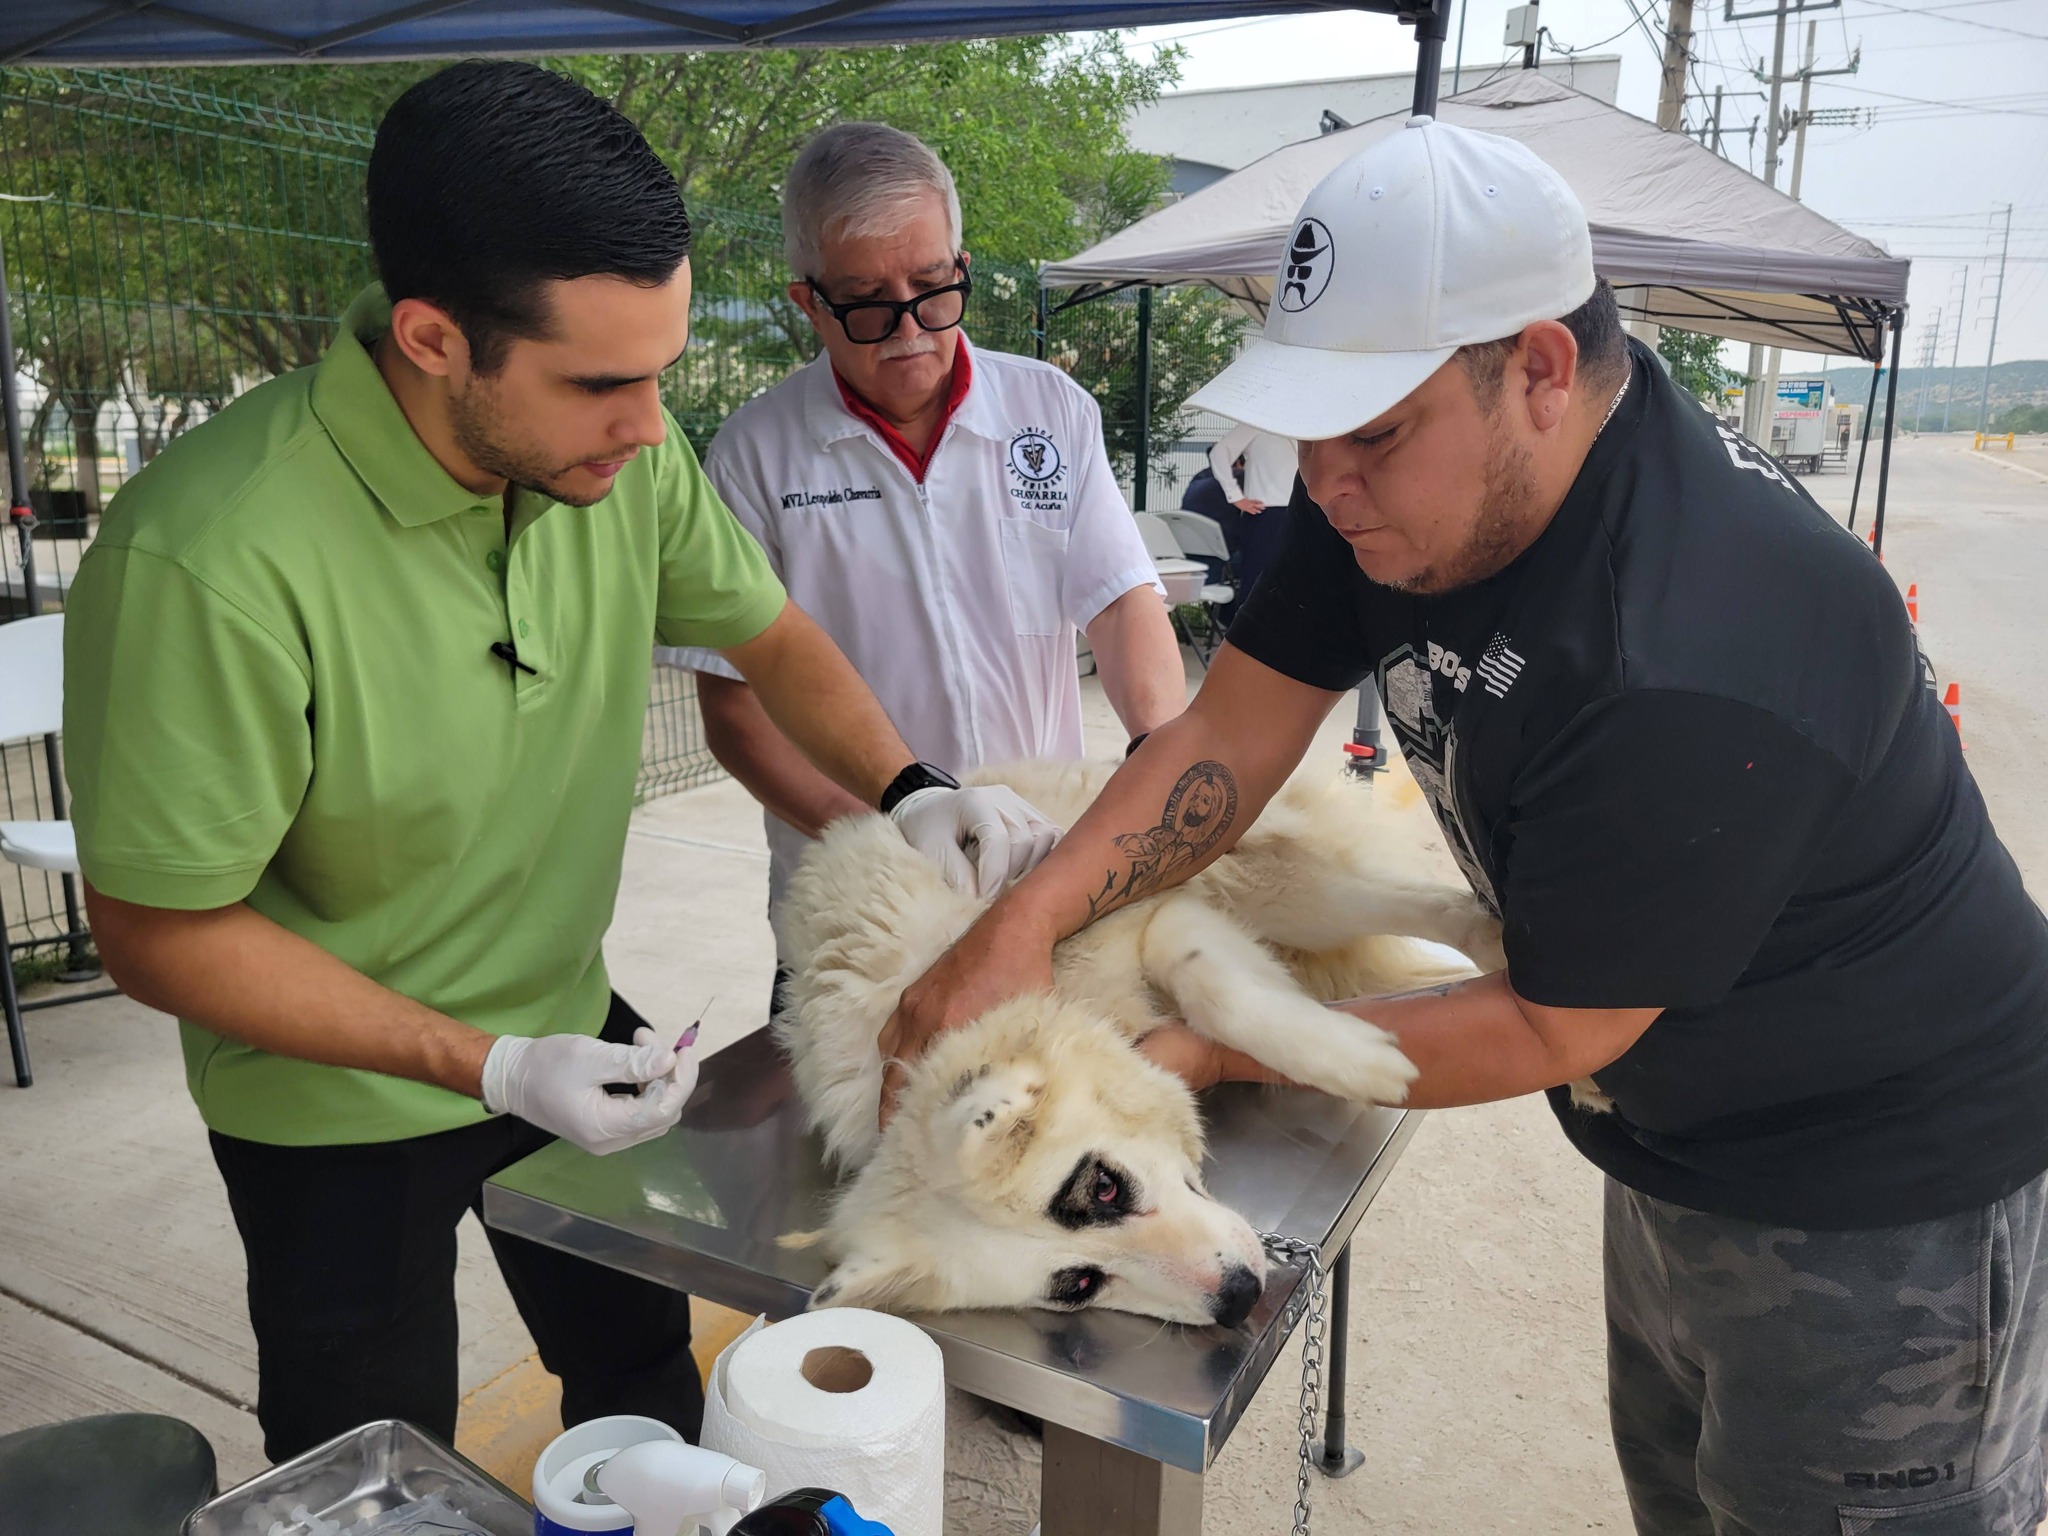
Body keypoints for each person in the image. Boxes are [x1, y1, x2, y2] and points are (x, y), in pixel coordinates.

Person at [879, 118, 2048, 1533]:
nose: (1325, 481)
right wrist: (1023, 922)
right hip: (1678, 1127)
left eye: (1372, 431)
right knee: (1687, 1500)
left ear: (1540, 370)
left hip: (1885, 1180)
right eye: (1311, 427)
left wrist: (1210, 1047)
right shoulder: (1408, 486)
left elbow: (1553, 1025)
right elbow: (1224, 741)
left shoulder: (1692, 647)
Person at [62, 63, 1053, 1463]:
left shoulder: (618, 460)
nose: (649, 427)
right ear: (432, 339)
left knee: (645, 1365)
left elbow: (769, 636)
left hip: (568, 1011)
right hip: (327, 1092)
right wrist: (490, 1066)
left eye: (659, 372)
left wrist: (915, 789)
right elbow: (156, 931)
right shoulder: (206, 558)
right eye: (599, 382)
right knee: (371, 1461)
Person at [670, 122, 1185, 986]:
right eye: (868, 303)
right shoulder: (756, 455)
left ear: (961, 265)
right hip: (863, 905)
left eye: (934, 288)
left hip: (1038, 870)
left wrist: (1160, 759)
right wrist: (888, 833)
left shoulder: (1049, 412)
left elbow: (1122, 600)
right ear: (809, 302)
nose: (909, 329)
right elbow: (737, 712)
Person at [1204, 422, 1295, 599]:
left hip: (1302, 511)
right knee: (1258, 581)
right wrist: (1235, 496)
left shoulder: (1309, 424)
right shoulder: (1257, 422)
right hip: (1265, 513)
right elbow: (1219, 453)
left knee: (1296, 583)